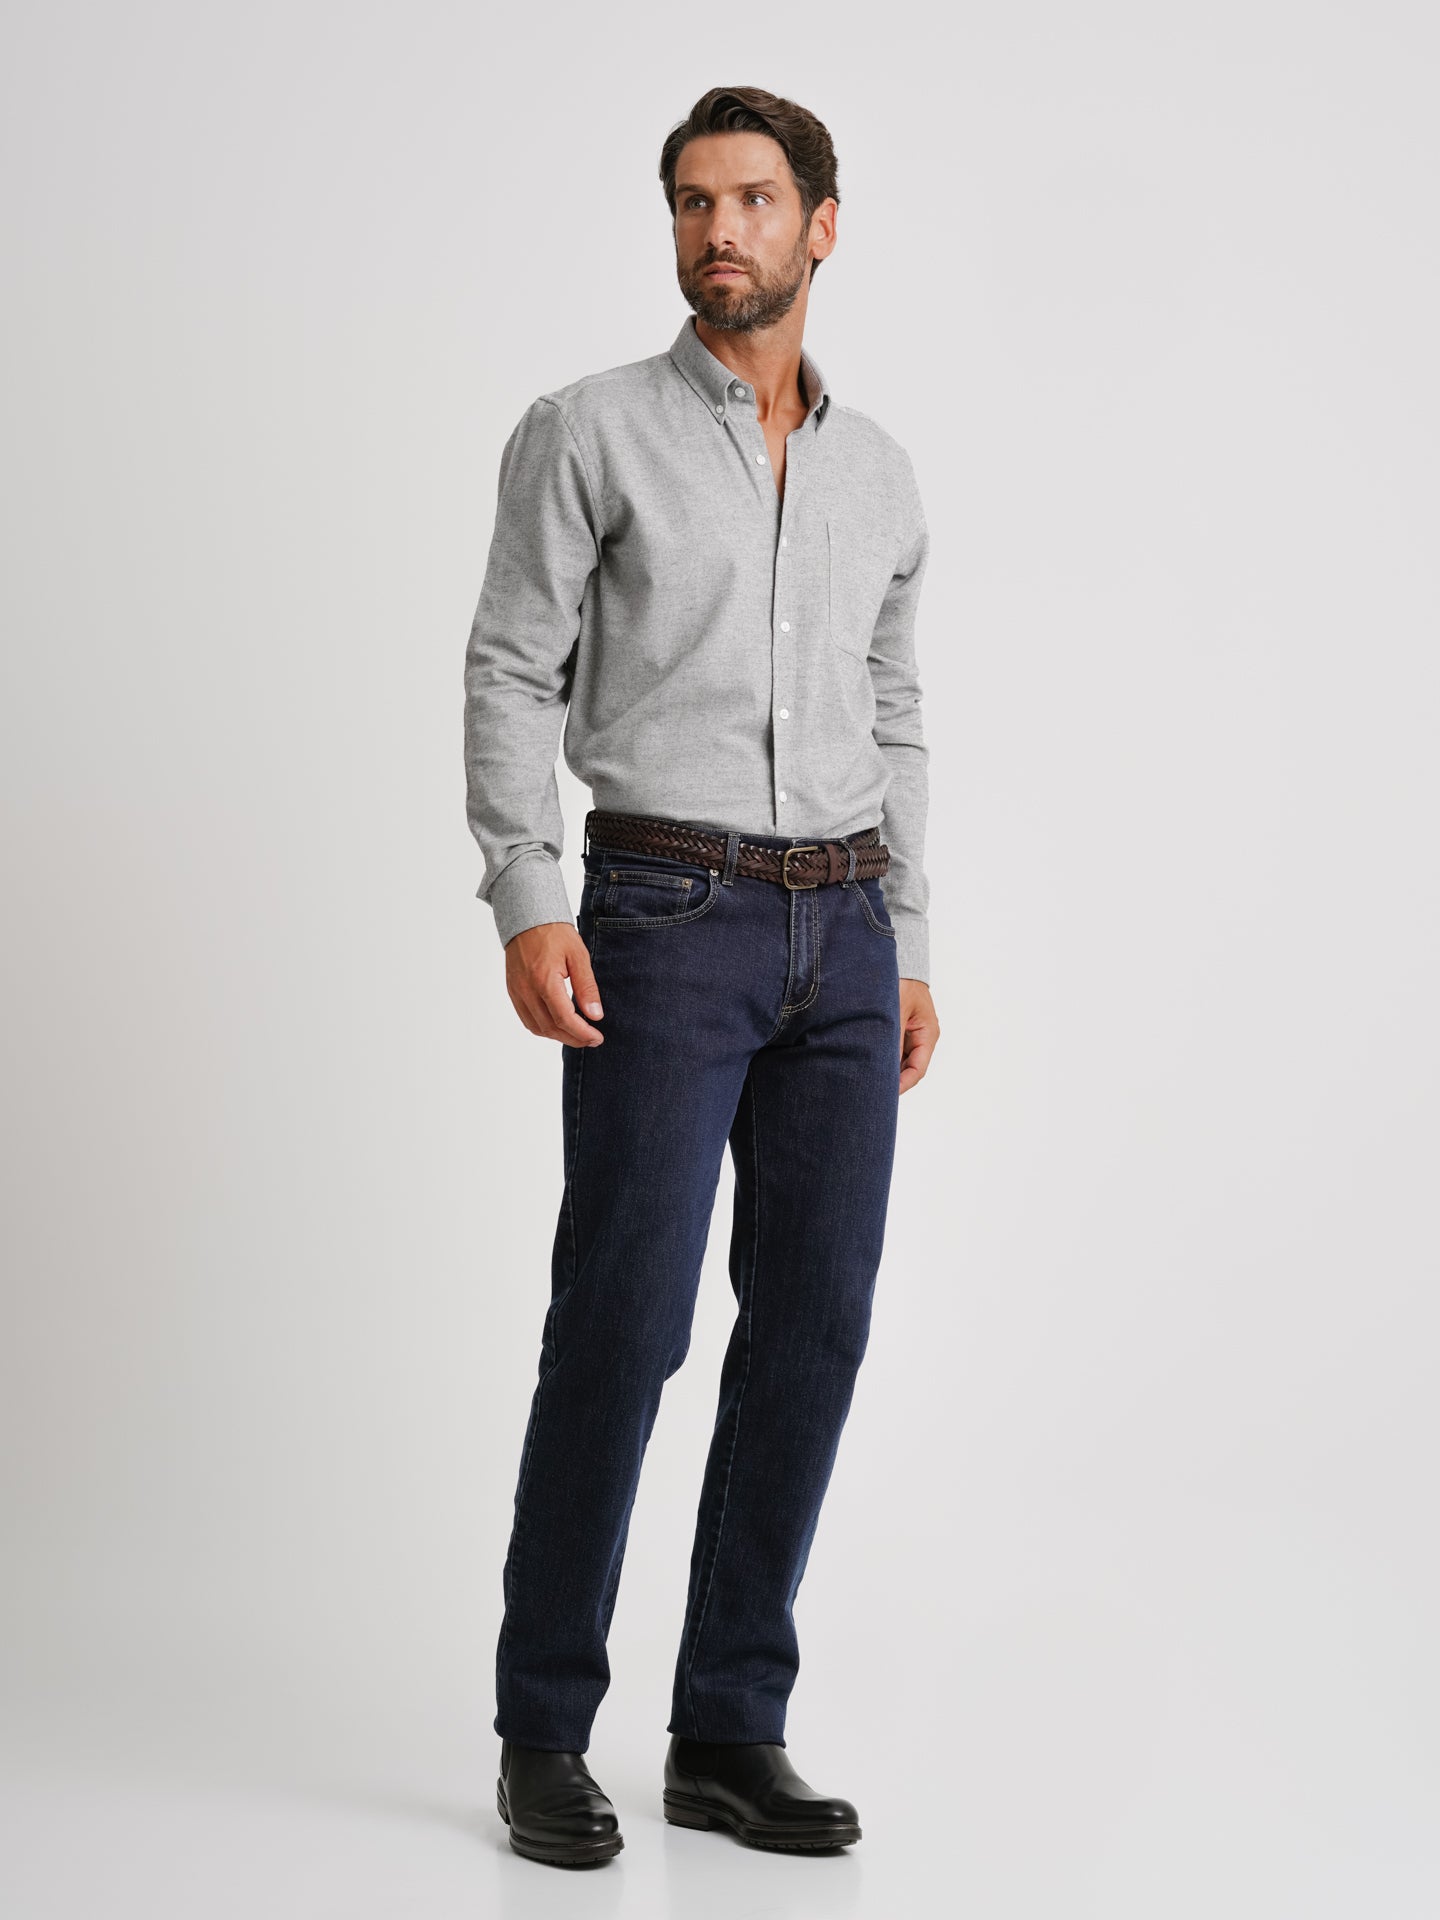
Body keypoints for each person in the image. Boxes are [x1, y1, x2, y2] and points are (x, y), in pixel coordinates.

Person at [463, 84, 941, 1868]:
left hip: (849, 921)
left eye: (749, 200)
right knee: (626, 1319)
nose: (716, 230)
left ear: (823, 224)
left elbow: (895, 710)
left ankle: (731, 1727)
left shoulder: (881, 472)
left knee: (814, 1322)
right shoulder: (587, 431)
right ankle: (542, 1729)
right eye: (689, 201)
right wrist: (528, 893)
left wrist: (911, 944)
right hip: (663, 909)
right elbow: (511, 666)